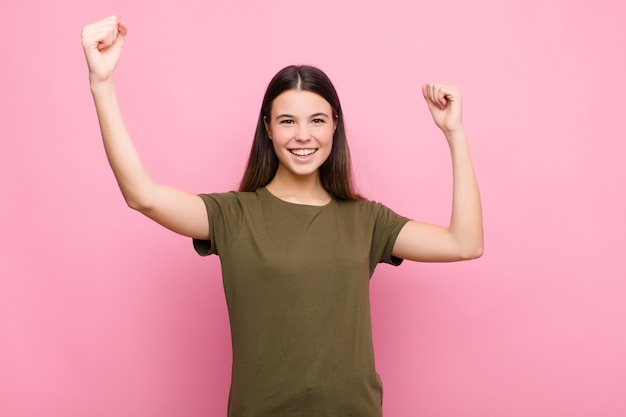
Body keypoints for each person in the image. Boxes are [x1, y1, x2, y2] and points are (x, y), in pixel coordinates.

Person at [81, 15, 483, 417]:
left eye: (317, 120)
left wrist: (455, 133)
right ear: (268, 128)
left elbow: (464, 244)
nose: (303, 135)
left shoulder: (368, 220)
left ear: (335, 127)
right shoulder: (234, 215)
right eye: (288, 120)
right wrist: (102, 85)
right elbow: (142, 196)